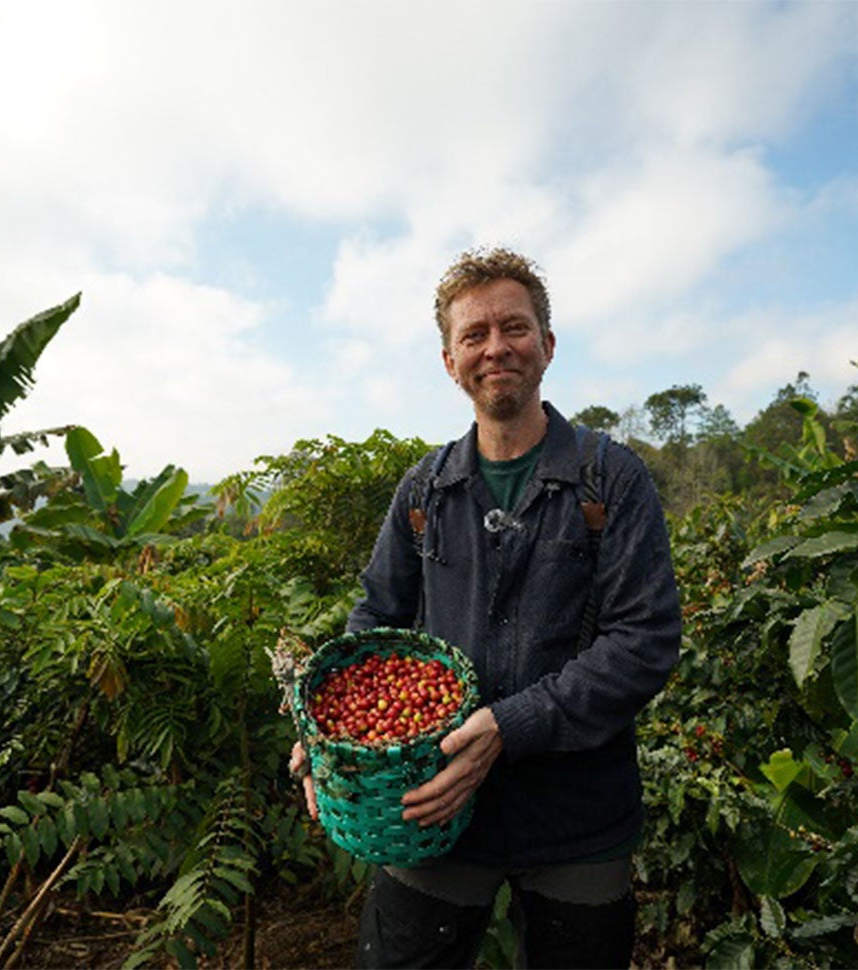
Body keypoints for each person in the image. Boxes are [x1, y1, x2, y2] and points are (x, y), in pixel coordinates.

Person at [291, 246, 681, 969]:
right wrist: (325, 734)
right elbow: (374, 621)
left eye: (515, 327)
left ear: (547, 346)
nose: (495, 347)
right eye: (474, 335)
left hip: (577, 815)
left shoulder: (610, 478)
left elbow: (645, 640)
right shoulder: (425, 489)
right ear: (449, 360)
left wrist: (509, 725)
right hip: (433, 810)